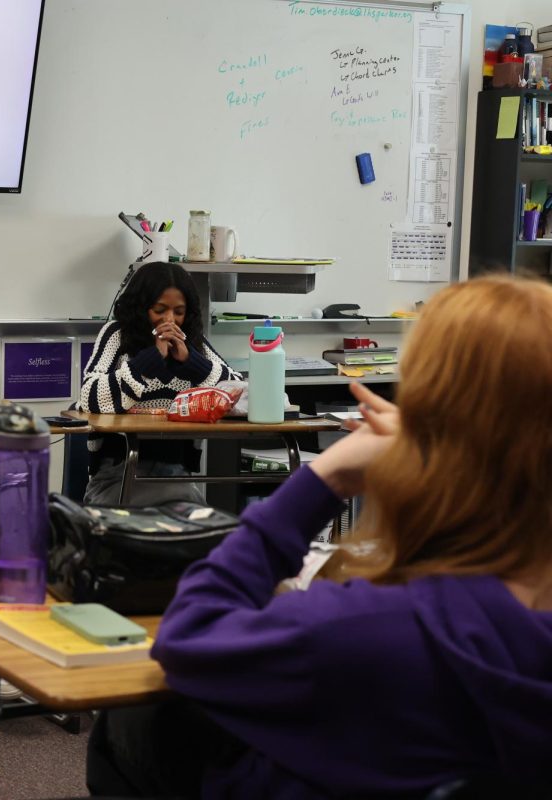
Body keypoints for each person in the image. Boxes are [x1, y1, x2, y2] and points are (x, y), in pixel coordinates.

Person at [86, 275, 552, 798]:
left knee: (141, 720)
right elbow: (92, 395)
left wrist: (321, 480)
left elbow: (190, 637)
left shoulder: (362, 626)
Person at [79, 261, 238, 505]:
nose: (169, 320)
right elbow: (88, 398)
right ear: (141, 308)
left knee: (198, 526)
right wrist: (148, 361)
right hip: (117, 473)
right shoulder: (117, 335)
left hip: (176, 474)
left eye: (179, 312)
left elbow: (237, 392)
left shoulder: (192, 342)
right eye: (159, 310)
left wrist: (193, 363)